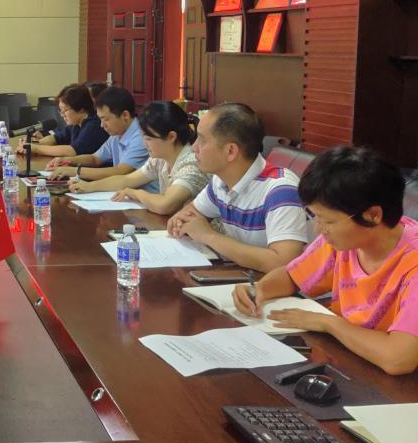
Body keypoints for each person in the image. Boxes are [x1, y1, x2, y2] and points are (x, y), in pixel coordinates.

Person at [233, 147, 418, 375]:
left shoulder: (412, 263)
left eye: (328, 221)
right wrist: (259, 290)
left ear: (373, 215)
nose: (318, 229)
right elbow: (292, 276)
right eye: (314, 216)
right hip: (351, 361)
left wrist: (329, 323)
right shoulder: (343, 242)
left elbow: (398, 359)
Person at [167, 103, 307, 272]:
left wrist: (208, 236)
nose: (194, 147)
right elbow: (192, 212)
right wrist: (181, 220)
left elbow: (283, 263)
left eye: (202, 140)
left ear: (230, 151)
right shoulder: (220, 180)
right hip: (245, 277)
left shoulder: (280, 190)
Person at [69, 101, 208, 215]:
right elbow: (127, 179)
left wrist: (136, 193)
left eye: (148, 138)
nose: (144, 143)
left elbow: (165, 204)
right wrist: (89, 187)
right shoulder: (160, 159)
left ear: (171, 137)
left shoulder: (191, 165)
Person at [47, 86, 154, 190]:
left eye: (105, 119)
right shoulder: (117, 134)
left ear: (125, 115)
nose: (102, 125)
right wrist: (68, 161)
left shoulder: (142, 136)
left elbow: (121, 171)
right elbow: (95, 159)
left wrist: (76, 171)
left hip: (146, 197)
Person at [17, 83, 108, 158]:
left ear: (81, 109)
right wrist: (32, 143)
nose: (62, 114)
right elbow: (56, 138)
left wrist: (36, 148)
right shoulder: (76, 124)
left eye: (65, 110)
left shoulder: (94, 125)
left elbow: (72, 151)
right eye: (60, 110)